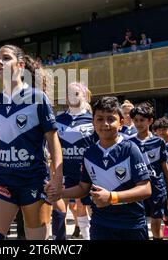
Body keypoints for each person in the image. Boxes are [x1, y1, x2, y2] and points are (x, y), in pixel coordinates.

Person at [0, 45, 63, 240]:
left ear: (21, 65)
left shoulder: (38, 98)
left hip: (33, 180)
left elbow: (53, 140)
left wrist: (57, 178)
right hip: (2, 180)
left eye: (6, 58)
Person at [51, 96, 152, 240]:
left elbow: (146, 189)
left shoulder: (130, 149)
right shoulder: (89, 153)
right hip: (100, 224)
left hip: (131, 224)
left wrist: (112, 197)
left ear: (121, 123)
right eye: (99, 119)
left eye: (111, 119)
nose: (105, 124)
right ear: (93, 122)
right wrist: (60, 193)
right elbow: (83, 188)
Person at [52, 82, 95, 240]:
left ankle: (88, 236)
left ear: (84, 95)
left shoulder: (92, 119)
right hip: (64, 172)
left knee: (86, 207)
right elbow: (53, 146)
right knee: (59, 208)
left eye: (76, 93)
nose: (72, 97)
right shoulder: (59, 119)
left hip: (86, 172)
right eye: (69, 93)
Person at [130, 103, 168, 240]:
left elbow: (165, 167)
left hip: (157, 187)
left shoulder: (158, 142)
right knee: (141, 221)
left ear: (150, 121)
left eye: (142, 120)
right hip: (138, 188)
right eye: (136, 120)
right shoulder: (129, 143)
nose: (138, 123)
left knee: (156, 221)